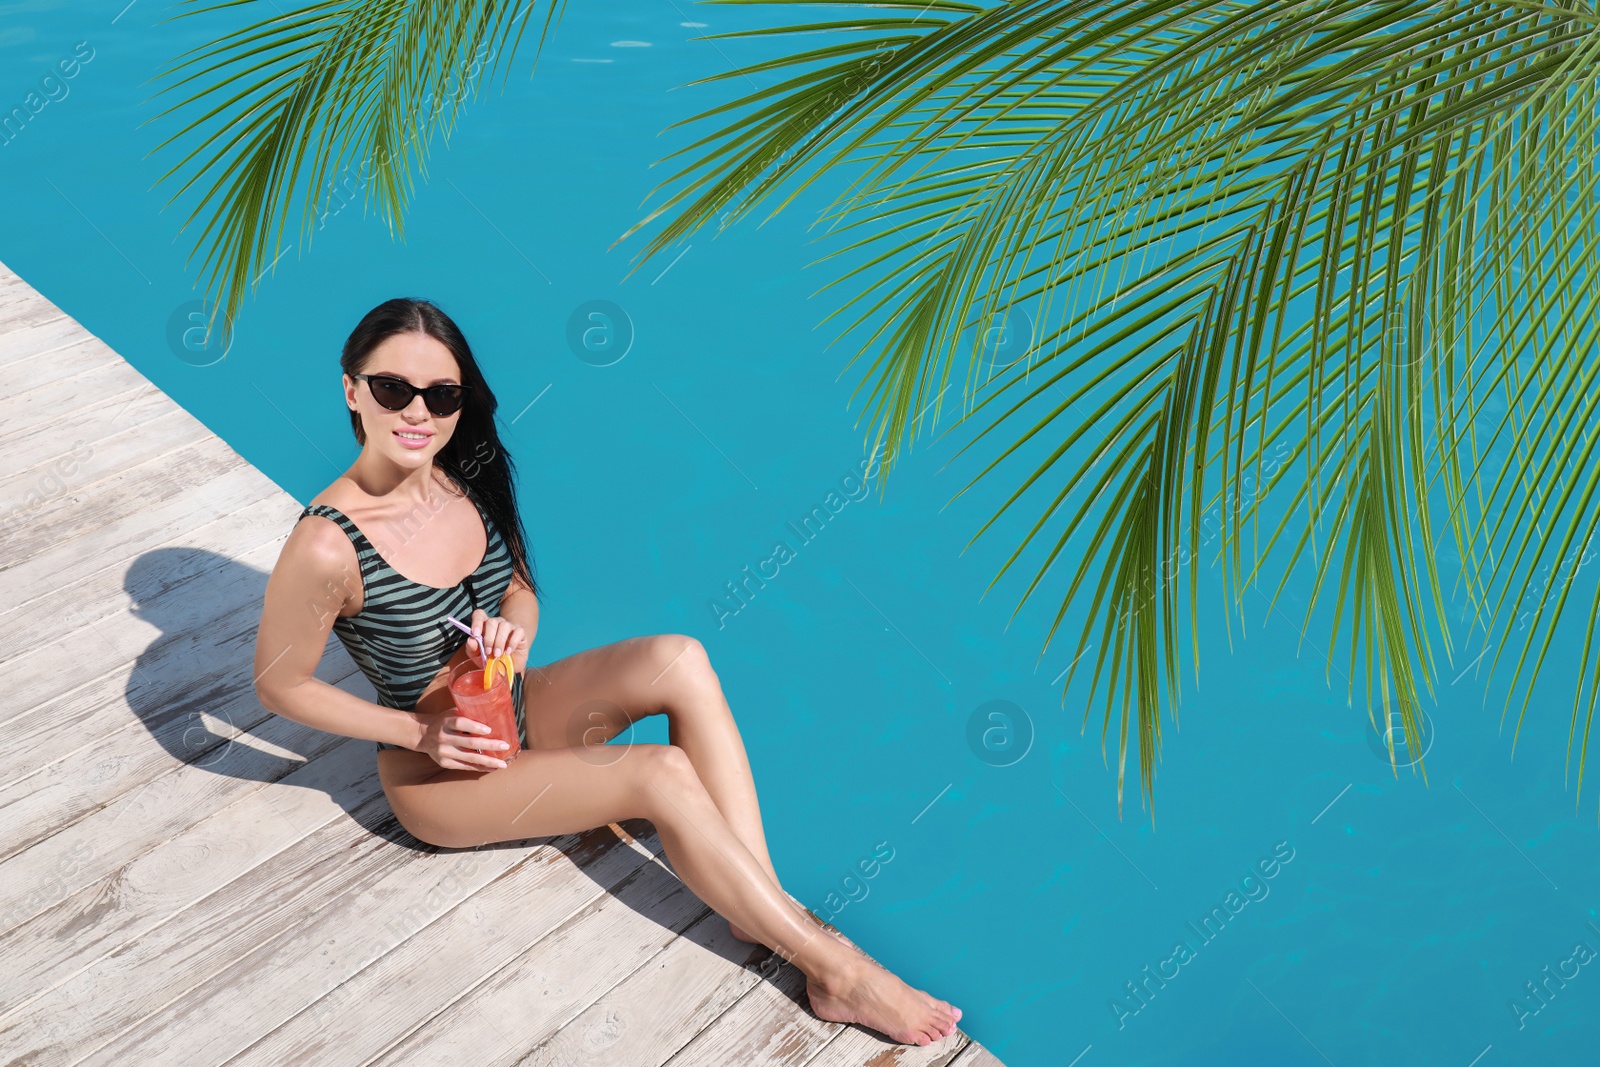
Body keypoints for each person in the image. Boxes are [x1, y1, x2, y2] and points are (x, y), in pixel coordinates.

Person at [253, 297, 962, 1045]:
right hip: (439, 777)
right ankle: (834, 971)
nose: (419, 412)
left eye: (443, 395)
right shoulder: (328, 544)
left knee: (680, 656)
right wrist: (420, 733)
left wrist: (514, 634)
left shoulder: (463, 478)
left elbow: (519, 592)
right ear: (351, 390)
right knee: (657, 773)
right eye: (394, 388)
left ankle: (755, 901)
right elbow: (278, 682)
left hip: (512, 709)